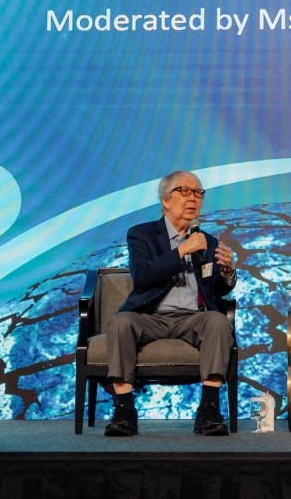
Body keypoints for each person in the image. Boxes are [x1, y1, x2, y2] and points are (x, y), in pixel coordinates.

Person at [104, 170, 238, 437]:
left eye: (198, 193)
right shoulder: (141, 235)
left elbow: (216, 290)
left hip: (192, 318)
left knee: (218, 321)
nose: (193, 199)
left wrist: (228, 272)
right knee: (120, 323)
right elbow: (143, 276)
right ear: (166, 200)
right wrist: (182, 250)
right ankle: (124, 411)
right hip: (149, 316)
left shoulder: (207, 241)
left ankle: (209, 410)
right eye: (184, 191)